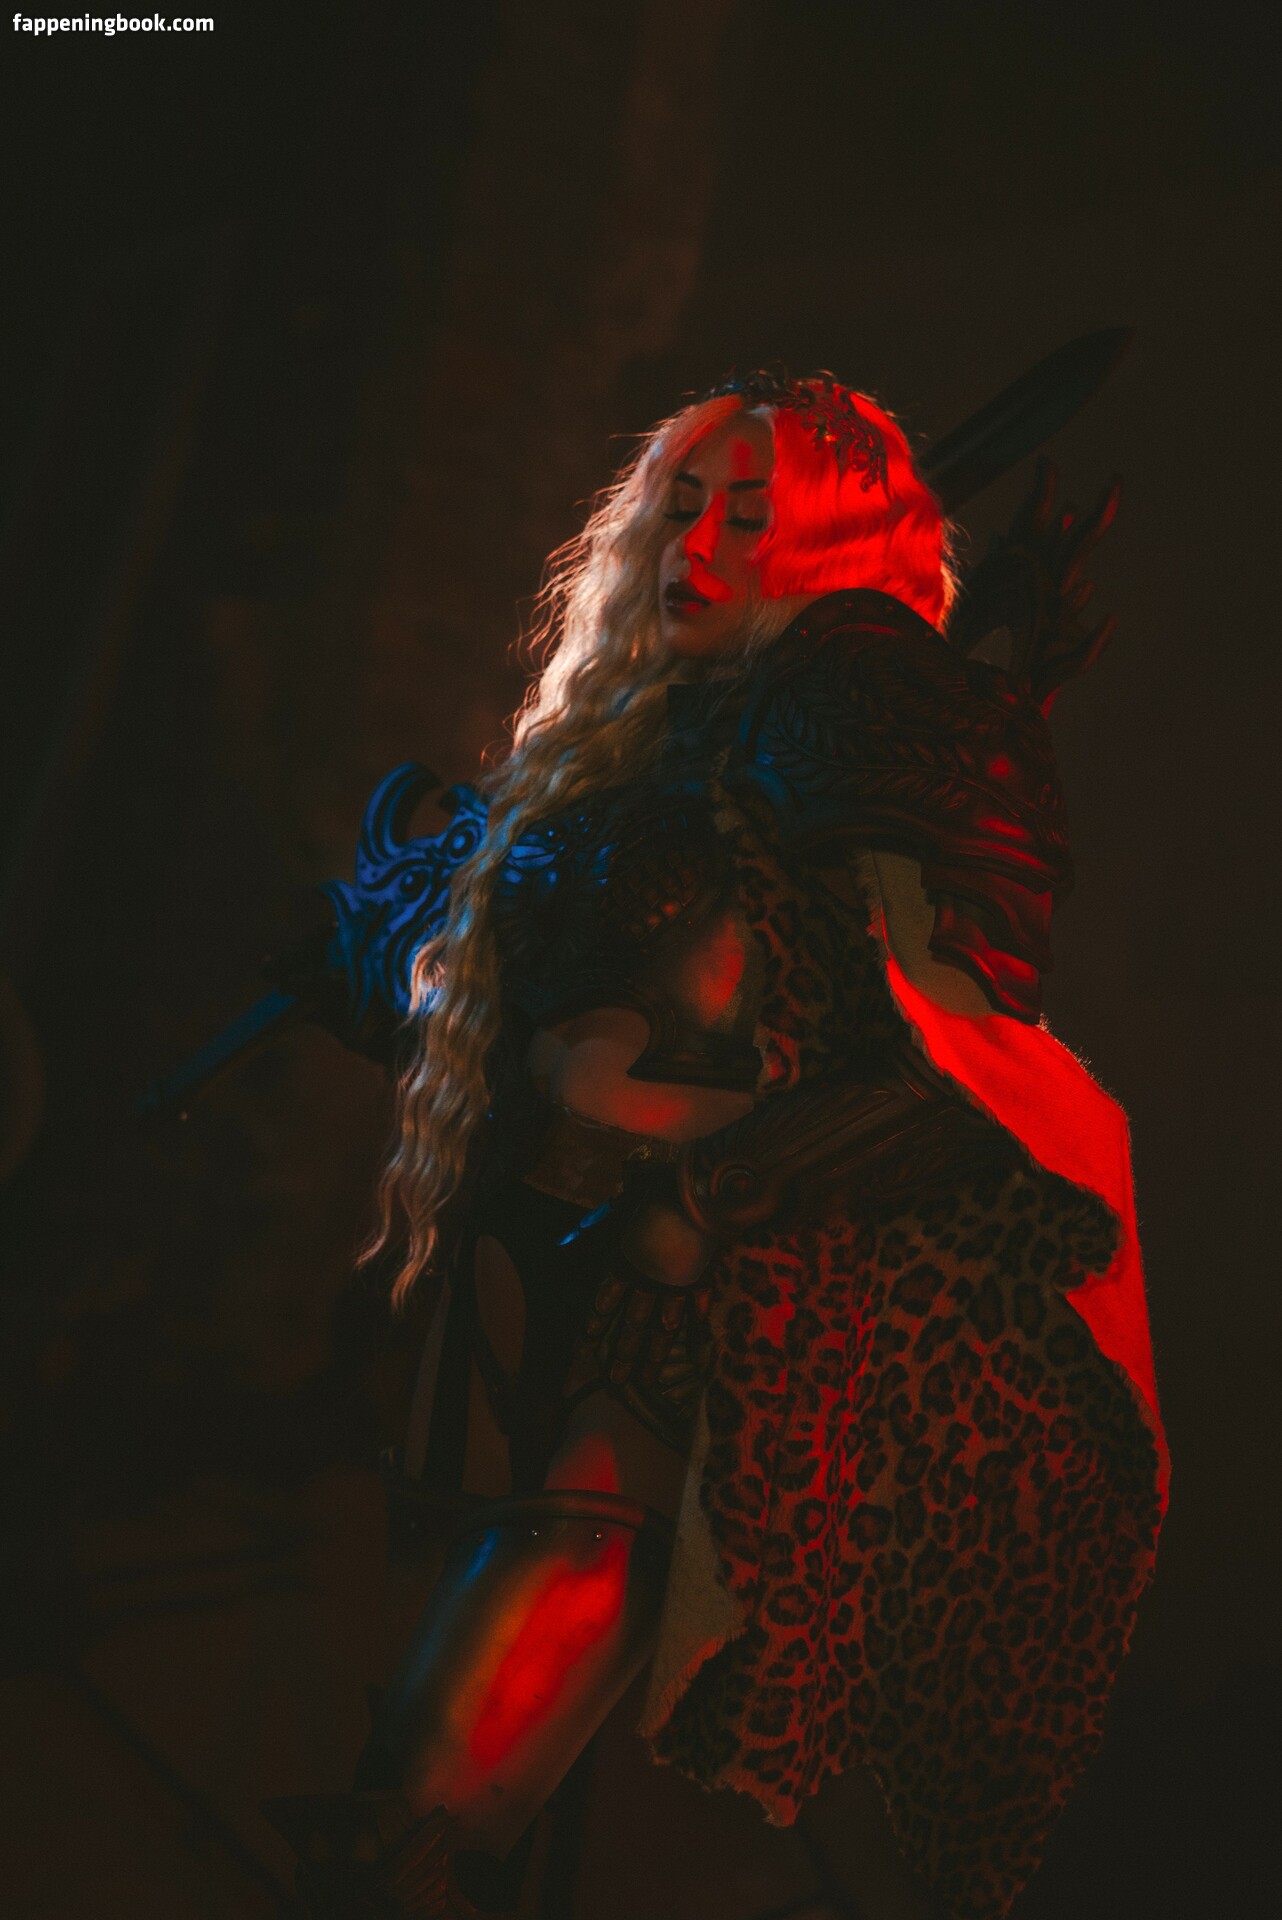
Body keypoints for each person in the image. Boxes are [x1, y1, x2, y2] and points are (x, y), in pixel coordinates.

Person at [267, 373, 1167, 1920]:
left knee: (425, 1809)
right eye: (681, 507)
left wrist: (706, 1176)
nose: (695, 543)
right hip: (524, 1291)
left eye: (750, 516)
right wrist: (394, 933)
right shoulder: (631, 748)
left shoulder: (862, 715)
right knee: (419, 1771)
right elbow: (441, 982)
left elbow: (958, 1080)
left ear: (832, 551)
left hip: (726, 1312)